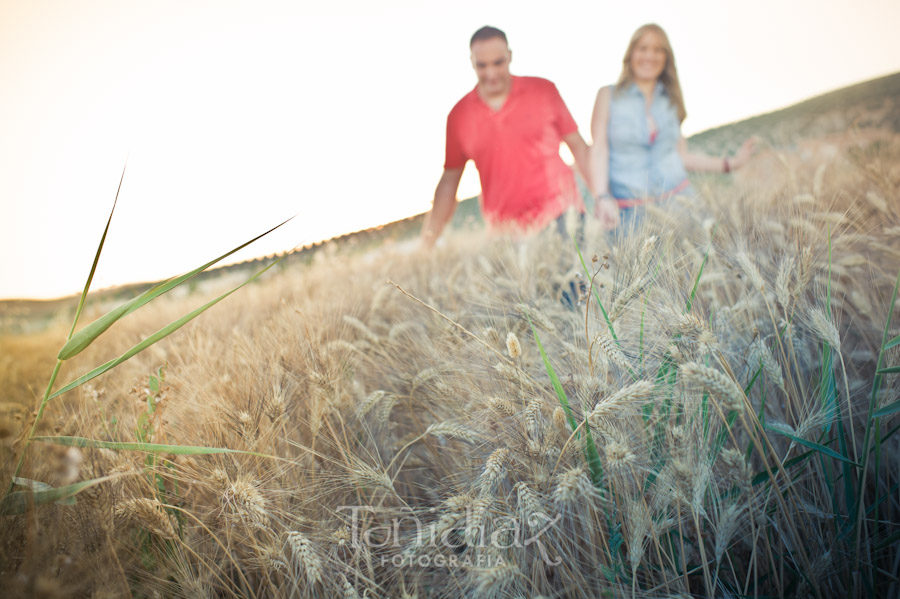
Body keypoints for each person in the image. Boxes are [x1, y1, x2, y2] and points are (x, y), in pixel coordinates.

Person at [420, 26, 593, 249]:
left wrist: (604, 196)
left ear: (510, 56)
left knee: (572, 284)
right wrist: (427, 243)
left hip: (561, 214)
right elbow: (449, 181)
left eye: (498, 63)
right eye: (482, 65)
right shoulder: (459, 116)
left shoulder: (543, 90)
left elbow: (578, 147)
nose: (491, 73)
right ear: (471, 62)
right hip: (505, 234)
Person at [590, 23, 757, 230]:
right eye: (643, 48)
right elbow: (598, 150)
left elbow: (681, 156)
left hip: (681, 205)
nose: (650, 55)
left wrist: (731, 163)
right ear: (631, 53)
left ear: (666, 58)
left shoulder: (670, 100)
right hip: (629, 214)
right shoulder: (607, 96)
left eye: (658, 49)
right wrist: (602, 196)